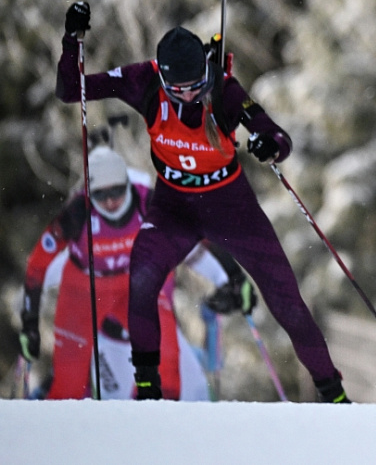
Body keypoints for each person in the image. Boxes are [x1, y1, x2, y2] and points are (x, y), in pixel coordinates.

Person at [55, 4, 348, 402]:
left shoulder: (223, 90)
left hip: (232, 209)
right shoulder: (143, 80)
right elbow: (71, 90)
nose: (192, 94)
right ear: (163, 77)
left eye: (197, 84)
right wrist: (72, 41)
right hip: (174, 208)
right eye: (181, 90)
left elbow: (276, 136)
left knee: (286, 301)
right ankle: (147, 390)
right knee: (141, 277)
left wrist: (268, 145)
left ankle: (333, 394)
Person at [18, 145, 251, 400]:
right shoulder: (77, 214)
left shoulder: (149, 203)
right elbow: (38, 264)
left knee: (165, 358)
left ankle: (159, 423)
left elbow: (200, 234)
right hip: (84, 290)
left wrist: (235, 276)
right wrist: (30, 323)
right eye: (100, 195)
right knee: (68, 385)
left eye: (116, 191)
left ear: (127, 185)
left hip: (134, 284)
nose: (109, 201)